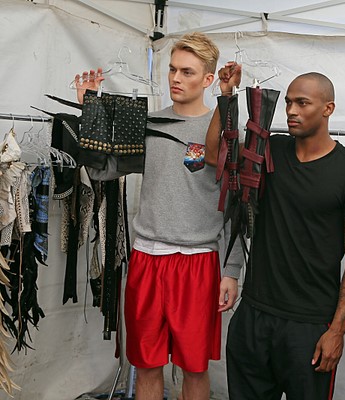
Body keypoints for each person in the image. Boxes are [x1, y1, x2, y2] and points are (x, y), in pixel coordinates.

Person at [75, 32, 243, 400]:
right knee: (146, 363)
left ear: (208, 79)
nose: (175, 79)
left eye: (186, 71)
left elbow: (236, 207)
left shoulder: (223, 131)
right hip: (148, 258)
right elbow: (104, 171)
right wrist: (89, 111)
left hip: (198, 262)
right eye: (172, 70)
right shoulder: (149, 123)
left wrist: (231, 271)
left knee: (194, 368)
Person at [208, 69, 345, 399]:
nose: (291, 111)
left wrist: (337, 330)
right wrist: (226, 97)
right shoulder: (270, 151)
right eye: (288, 103)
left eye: (302, 103)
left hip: (310, 326)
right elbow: (216, 155)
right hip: (254, 314)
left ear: (328, 108)